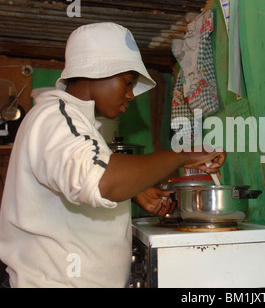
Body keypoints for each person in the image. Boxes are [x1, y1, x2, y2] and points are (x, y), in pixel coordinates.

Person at [0, 22, 226, 288]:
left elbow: (83, 181)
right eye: (128, 83)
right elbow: (104, 181)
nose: (131, 95)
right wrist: (181, 156)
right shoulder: (56, 118)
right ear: (96, 71)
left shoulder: (76, 124)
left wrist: (132, 192)